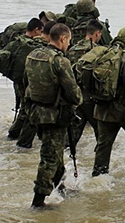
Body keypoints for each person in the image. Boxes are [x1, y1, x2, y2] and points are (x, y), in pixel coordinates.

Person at [25, 23, 82, 208]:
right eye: (69, 40)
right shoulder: (60, 61)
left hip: (36, 113)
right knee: (49, 156)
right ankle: (38, 201)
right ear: (63, 38)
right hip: (54, 116)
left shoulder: (33, 55)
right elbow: (73, 93)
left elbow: (27, 85)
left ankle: (61, 186)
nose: (69, 44)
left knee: (54, 151)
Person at [90, 27, 125, 176]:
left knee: (104, 144)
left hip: (102, 108)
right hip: (124, 110)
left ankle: (98, 175)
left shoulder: (102, 52)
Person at [0, 18, 44, 148]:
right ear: (36, 30)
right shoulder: (32, 46)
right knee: (29, 111)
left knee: (24, 108)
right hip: (27, 82)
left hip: (16, 80)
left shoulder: (15, 42)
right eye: (41, 31)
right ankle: (21, 141)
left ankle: (14, 134)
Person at [66, 19, 103, 148]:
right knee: (101, 135)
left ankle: (64, 161)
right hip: (92, 98)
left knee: (72, 136)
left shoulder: (72, 49)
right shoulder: (99, 51)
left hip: (76, 97)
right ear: (97, 34)